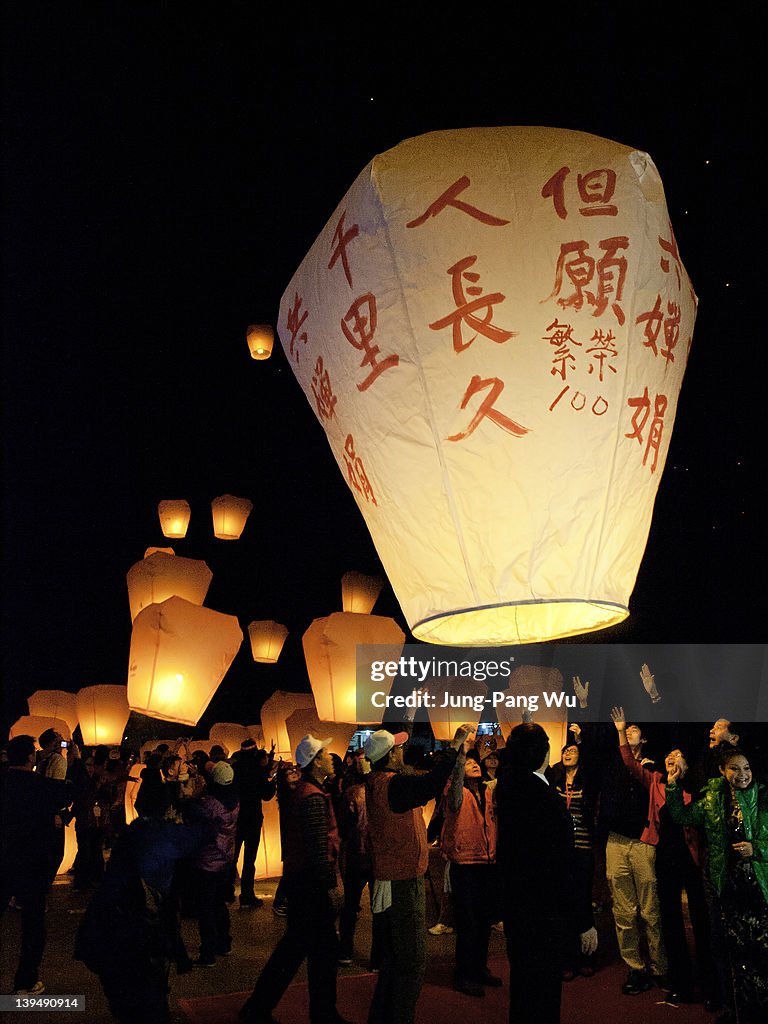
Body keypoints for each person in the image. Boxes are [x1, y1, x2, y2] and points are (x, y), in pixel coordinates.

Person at [364, 723, 472, 1024]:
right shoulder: (393, 785)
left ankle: (382, 1017)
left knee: (395, 960)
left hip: (392, 876)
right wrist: (455, 747)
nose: (403, 752)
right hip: (400, 881)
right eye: (398, 748)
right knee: (410, 961)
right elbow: (431, 785)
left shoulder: (381, 781)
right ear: (390, 755)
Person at [74, 798, 216, 1023]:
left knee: (123, 997)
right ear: (168, 810)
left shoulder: (133, 832)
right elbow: (207, 830)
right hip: (140, 932)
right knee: (148, 999)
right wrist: (188, 801)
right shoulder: (165, 836)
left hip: (104, 930)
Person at [610, 707, 717, 1007]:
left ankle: (710, 987)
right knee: (670, 919)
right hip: (665, 856)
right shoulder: (656, 781)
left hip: (692, 858)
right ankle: (681, 985)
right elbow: (630, 763)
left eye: (677, 754)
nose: (672, 757)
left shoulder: (696, 786)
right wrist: (621, 730)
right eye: (669, 755)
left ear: (686, 761)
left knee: (699, 918)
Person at [239, 735, 346, 1024]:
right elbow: (317, 848)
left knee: (302, 950)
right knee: (308, 951)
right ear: (316, 762)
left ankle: (262, 1008)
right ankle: (266, 1009)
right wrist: (329, 887)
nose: (330, 759)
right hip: (310, 886)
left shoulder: (306, 790)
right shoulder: (312, 796)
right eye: (325, 754)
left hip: (303, 883)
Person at [495, 722, 597, 1024]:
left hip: (517, 906)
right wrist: (582, 920)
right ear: (544, 753)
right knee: (543, 992)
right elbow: (562, 866)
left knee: (523, 987)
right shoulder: (546, 799)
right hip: (544, 911)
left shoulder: (509, 788)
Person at [666, 746, 768, 1024]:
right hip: (724, 886)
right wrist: (673, 783)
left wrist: (755, 848)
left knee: (759, 950)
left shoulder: (763, 798)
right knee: (727, 950)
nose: (742, 774)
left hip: (758, 887)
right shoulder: (712, 800)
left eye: (746, 768)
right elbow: (682, 817)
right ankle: (735, 1010)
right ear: (723, 772)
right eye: (734, 768)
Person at [597, 716, 667, 994]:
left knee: (650, 908)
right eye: (627, 729)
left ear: (644, 740)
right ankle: (635, 967)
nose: (628, 730)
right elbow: (596, 745)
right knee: (623, 910)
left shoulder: (651, 766)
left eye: (635, 729)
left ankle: (660, 966)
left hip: (643, 841)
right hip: (615, 840)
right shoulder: (612, 763)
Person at [0, 735, 71, 995]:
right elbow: (73, 793)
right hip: (32, 864)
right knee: (32, 924)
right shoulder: (42, 786)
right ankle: (25, 981)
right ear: (31, 757)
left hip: (4, 859)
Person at [440, 747, 500, 997]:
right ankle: (463, 974)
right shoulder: (455, 791)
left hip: (487, 862)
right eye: (468, 763)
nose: (474, 765)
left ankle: (478, 968)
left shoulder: (488, 790)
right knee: (468, 922)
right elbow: (454, 791)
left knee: (484, 920)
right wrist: (460, 752)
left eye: (476, 762)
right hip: (464, 863)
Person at [547, 725, 598, 980]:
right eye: (565, 750)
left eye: (573, 750)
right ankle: (565, 958)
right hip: (561, 851)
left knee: (582, 902)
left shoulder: (588, 779)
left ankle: (585, 956)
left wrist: (581, 738)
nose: (568, 752)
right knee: (563, 903)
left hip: (584, 848)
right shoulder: (554, 780)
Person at [192, 759, 240, 966]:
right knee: (220, 904)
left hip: (208, 861)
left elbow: (198, 824)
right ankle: (224, 943)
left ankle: (207, 953)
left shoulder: (210, 803)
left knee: (206, 908)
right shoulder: (234, 800)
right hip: (226, 859)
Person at [336, 749, 375, 967]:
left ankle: (345, 950)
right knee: (380, 907)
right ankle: (378, 957)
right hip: (378, 856)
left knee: (350, 905)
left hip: (355, 855)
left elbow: (343, 825)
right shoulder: (381, 790)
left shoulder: (351, 793)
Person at [230, 739, 276, 908]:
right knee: (249, 859)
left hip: (236, 818)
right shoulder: (258, 770)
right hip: (253, 818)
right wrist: (272, 781)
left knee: (231, 856)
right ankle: (247, 895)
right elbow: (266, 794)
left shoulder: (234, 769)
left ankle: (225, 891)